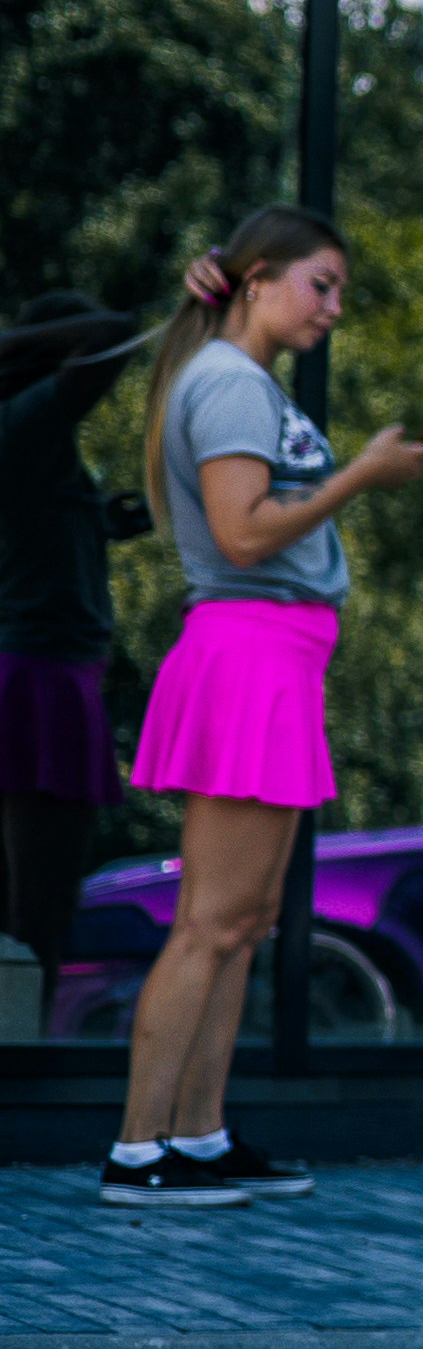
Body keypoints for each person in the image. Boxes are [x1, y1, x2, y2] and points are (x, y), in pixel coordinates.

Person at [103, 208, 423, 1211]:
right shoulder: (229, 386)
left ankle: (196, 1136)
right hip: (249, 654)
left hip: (276, 659)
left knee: (242, 919)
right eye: (320, 283)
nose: (334, 306)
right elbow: (244, 535)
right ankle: (137, 1150)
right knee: (208, 922)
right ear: (257, 282)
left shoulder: (241, 382)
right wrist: (361, 477)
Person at [1, 286, 143, 987]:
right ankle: (25, 1064)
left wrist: (98, 524)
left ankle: (27, 1049)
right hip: (39, 678)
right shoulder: (24, 423)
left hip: (53, 667)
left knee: (41, 896)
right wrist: (32, 343)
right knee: (39, 903)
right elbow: (117, 328)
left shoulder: (40, 441)